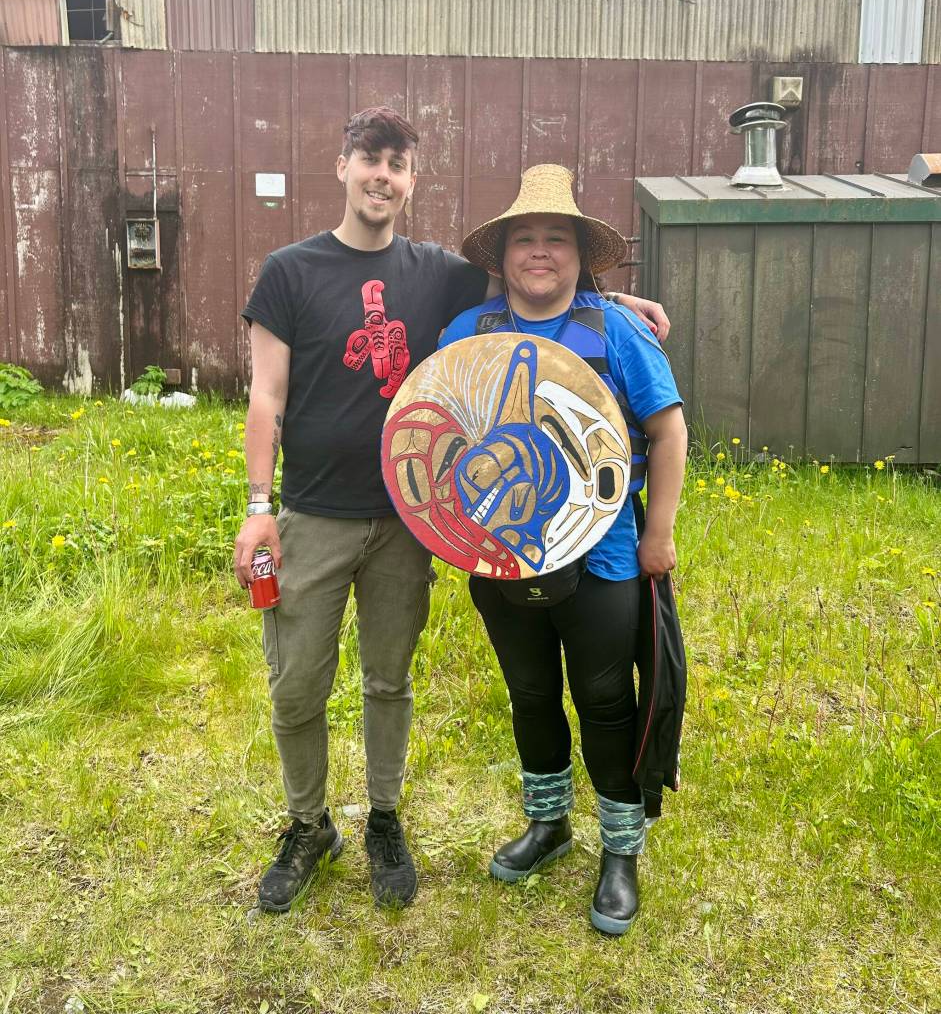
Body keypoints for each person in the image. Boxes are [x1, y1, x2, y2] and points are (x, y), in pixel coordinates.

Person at [232, 108, 671, 914]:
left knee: (406, 683)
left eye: (396, 163)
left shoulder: (437, 271)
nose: (381, 175)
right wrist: (259, 506)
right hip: (327, 515)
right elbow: (266, 395)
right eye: (368, 158)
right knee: (309, 685)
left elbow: (557, 299)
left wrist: (619, 301)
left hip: (453, 529)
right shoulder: (297, 274)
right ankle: (311, 826)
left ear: (410, 179)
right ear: (341, 165)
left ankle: (397, 823)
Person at [439, 164, 687, 935]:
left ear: (580, 255)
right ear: (502, 255)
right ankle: (548, 826)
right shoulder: (467, 338)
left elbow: (667, 428)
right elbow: (437, 435)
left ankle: (620, 851)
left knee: (605, 700)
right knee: (531, 695)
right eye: (524, 240)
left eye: (556, 239)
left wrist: (659, 533)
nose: (539, 253)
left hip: (604, 557)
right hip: (500, 558)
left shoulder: (614, 331)